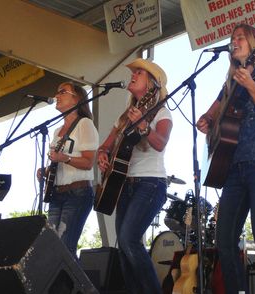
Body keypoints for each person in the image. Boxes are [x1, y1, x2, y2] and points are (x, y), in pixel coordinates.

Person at [196, 24, 255, 294]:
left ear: (253, 44)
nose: (234, 41)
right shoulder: (229, 84)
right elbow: (211, 115)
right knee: (224, 241)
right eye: (232, 38)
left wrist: (249, 83)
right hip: (233, 170)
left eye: (240, 38)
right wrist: (206, 122)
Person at [97, 58, 172, 294]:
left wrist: (144, 127)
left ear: (151, 84)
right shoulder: (123, 117)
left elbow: (160, 144)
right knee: (124, 247)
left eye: (139, 72)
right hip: (123, 185)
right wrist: (102, 155)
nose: (133, 74)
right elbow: (106, 146)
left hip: (150, 183)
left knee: (129, 240)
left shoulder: (162, 112)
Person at [38, 81, 99, 259]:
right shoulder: (57, 131)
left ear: (77, 98)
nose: (57, 96)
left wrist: (65, 158)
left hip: (77, 193)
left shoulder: (85, 124)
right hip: (56, 194)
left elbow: (88, 162)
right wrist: (46, 171)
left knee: (65, 248)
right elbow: (57, 163)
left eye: (62, 92)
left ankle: (82, 288)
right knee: (52, 248)